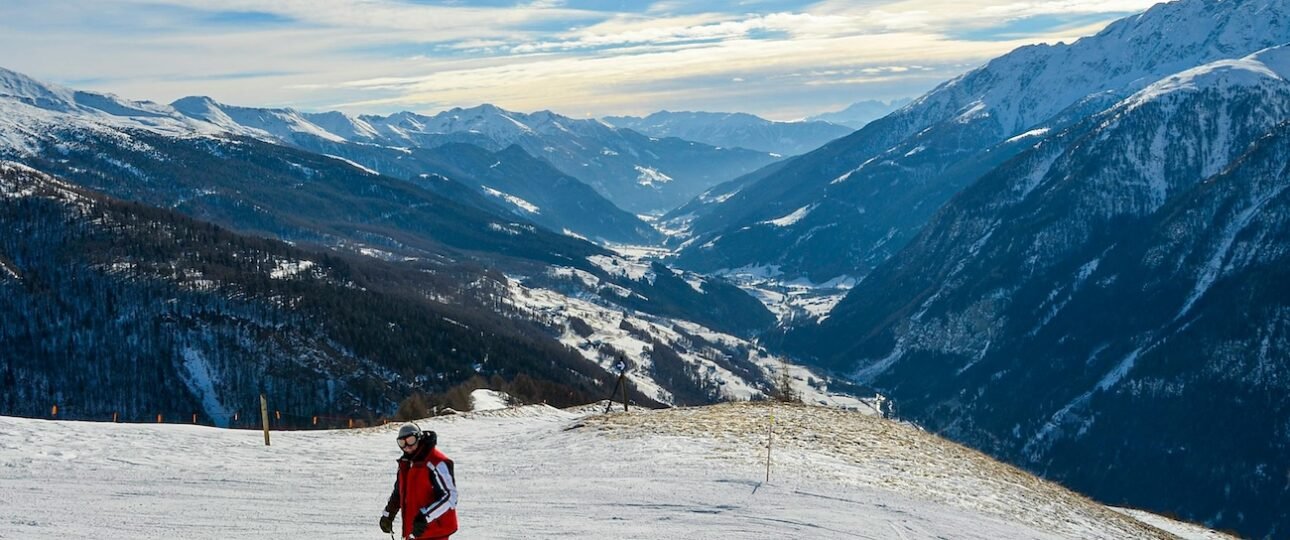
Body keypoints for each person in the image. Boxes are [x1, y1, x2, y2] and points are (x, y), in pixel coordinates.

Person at [379, 423, 458, 539]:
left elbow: (450, 497)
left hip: (435, 532)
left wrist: (425, 516)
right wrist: (388, 514)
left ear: (419, 438)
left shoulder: (436, 462)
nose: (407, 446)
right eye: (402, 443)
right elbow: (399, 493)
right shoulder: (406, 464)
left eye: (410, 440)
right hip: (415, 533)